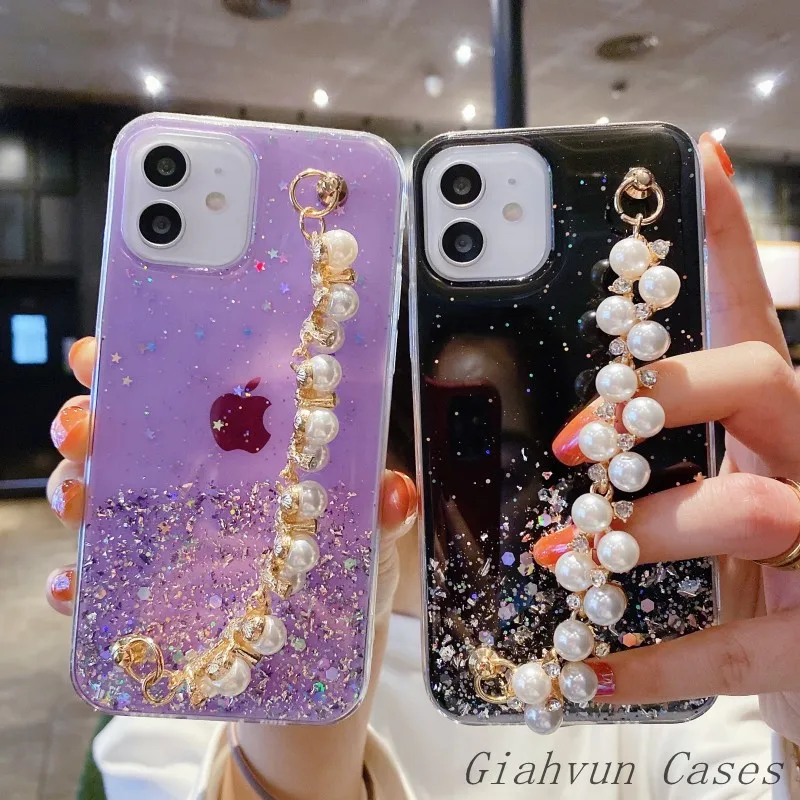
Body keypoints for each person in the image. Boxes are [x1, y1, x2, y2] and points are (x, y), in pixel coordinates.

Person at [44, 133, 800, 799]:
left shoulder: (618, 654)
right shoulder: (203, 645)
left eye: (505, 445)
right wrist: (295, 707)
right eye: (449, 429)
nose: (474, 477)